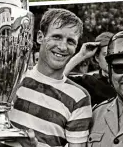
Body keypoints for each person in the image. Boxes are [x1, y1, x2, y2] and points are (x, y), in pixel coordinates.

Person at [10, 8, 92, 147]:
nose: (63, 47)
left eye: (70, 41)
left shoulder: (79, 98)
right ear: (40, 37)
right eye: (57, 37)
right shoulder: (13, 79)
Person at [63, 31, 115, 105]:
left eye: (113, 54)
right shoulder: (89, 82)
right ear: (97, 58)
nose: (110, 59)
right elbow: (55, 80)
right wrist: (81, 55)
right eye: (105, 55)